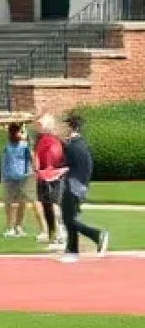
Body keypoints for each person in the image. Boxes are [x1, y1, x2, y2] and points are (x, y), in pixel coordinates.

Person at [58, 112, 109, 263]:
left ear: (70, 127)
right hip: (80, 186)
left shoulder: (72, 147)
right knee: (69, 218)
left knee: (68, 219)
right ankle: (72, 250)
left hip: (72, 185)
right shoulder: (82, 144)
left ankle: (97, 234)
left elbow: (65, 165)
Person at [0, 121, 37, 238]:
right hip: (10, 177)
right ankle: (10, 227)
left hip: (23, 176)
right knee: (11, 203)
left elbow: (32, 157)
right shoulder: (9, 146)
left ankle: (18, 226)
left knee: (22, 203)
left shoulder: (25, 146)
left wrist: (27, 139)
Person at [34, 114, 66, 250]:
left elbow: (51, 158)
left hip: (51, 177)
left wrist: (45, 170)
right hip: (45, 176)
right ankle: (54, 233)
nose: (38, 127)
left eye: (41, 125)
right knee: (48, 205)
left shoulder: (50, 141)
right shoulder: (43, 140)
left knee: (53, 205)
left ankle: (60, 234)